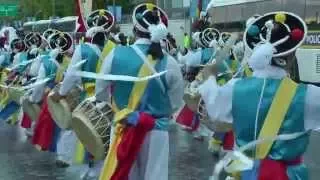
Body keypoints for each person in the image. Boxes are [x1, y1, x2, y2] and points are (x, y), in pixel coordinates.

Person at [198, 12, 314, 179]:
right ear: (291, 56)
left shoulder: (235, 88)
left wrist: (209, 78)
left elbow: (214, 109)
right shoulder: (309, 95)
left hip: (245, 173)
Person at [97, 3, 184, 180]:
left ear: (134, 30)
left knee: (125, 174)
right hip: (157, 131)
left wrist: (119, 111)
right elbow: (175, 102)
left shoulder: (115, 55)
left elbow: (100, 91)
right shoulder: (170, 62)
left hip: (124, 128)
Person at [51, 9, 115, 180]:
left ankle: (89, 170)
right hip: (111, 100)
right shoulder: (115, 48)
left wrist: (62, 93)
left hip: (89, 98)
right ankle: (100, 170)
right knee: (105, 137)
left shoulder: (83, 49)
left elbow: (71, 75)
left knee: (88, 134)